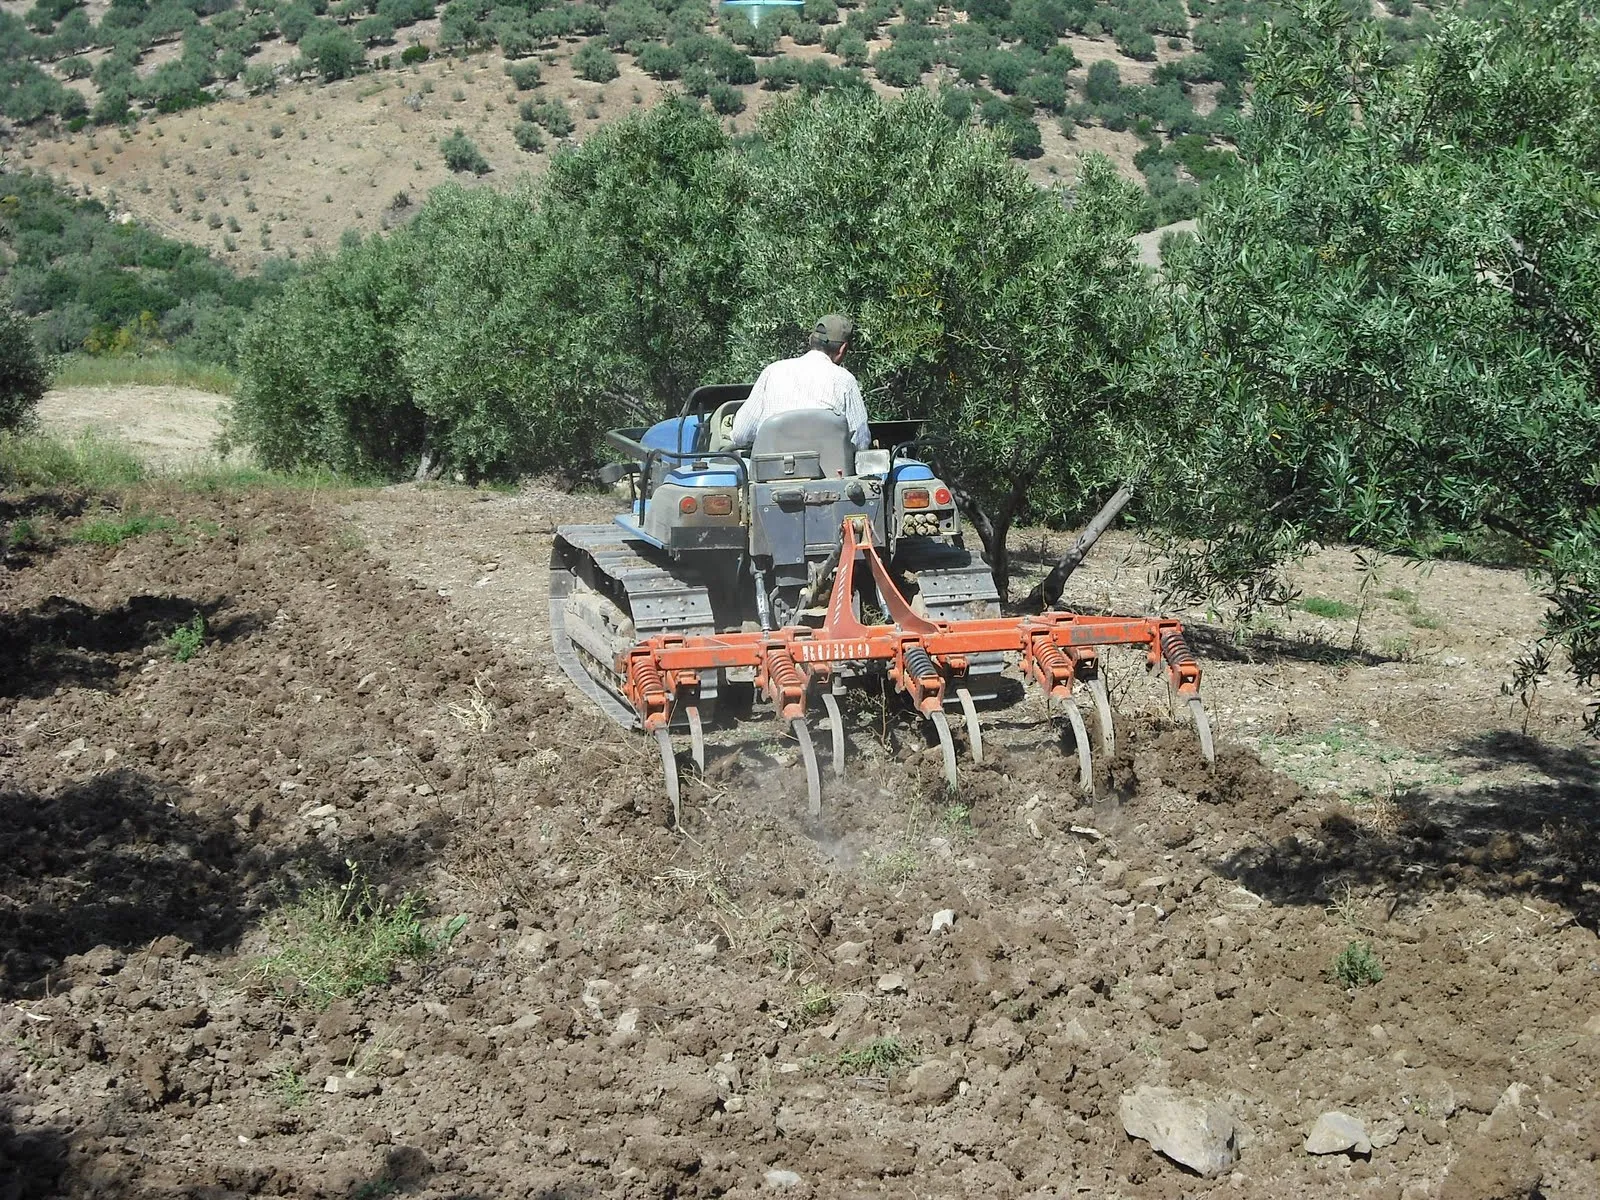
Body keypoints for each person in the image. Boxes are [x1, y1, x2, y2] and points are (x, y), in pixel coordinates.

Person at [730, 314, 871, 450]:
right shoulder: (845, 380)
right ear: (842, 349)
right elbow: (860, 442)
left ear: (811, 341)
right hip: (831, 472)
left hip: (772, 472)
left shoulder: (772, 372)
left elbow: (740, 434)